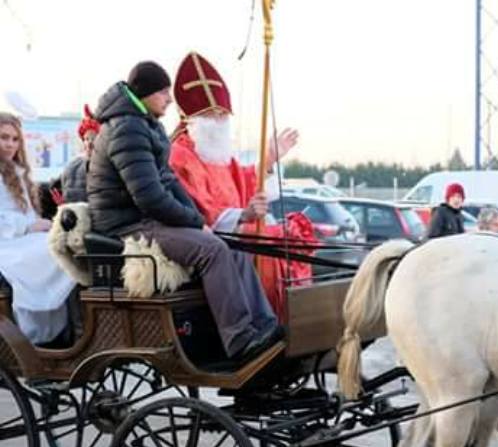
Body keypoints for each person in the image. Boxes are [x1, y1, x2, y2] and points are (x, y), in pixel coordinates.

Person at [86, 60, 283, 365]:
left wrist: (200, 223)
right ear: (147, 92)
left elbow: (168, 184)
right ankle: (240, 338)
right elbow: (150, 197)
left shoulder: (144, 124)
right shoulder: (127, 129)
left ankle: (264, 325)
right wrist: (196, 223)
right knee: (214, 250)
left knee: (234, 244)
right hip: (126, 225)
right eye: (163, 92)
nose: (169, 98)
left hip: (146, 219)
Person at [168, 51, 312, 319]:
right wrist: (243, 215)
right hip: (210, 238)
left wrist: (268, 159)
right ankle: (269, 320)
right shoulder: (180, 155)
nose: (220, 121)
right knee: (265, 239)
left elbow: (245, 181)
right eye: (213, 115)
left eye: (223, 114)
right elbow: (199, 209)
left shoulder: (219, 152)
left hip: (237, 232)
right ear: (193, 119)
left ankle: (299, 315)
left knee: (292, 232)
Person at [0, 112, 76, 343]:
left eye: (15, 139)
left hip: (22, 237)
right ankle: (35, 336)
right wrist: (29, 226)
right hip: (7, 242)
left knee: (62, 244)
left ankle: (59, 333)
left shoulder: (18, 172)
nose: (10, 144)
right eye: (4, 137)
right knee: (51, 251)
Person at [40, 104, 101, 220]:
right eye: (86, 139)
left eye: (94, 138)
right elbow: (54, 190)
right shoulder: (73, 166)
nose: (89, 143)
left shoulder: (110, 167)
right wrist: (61, 207)